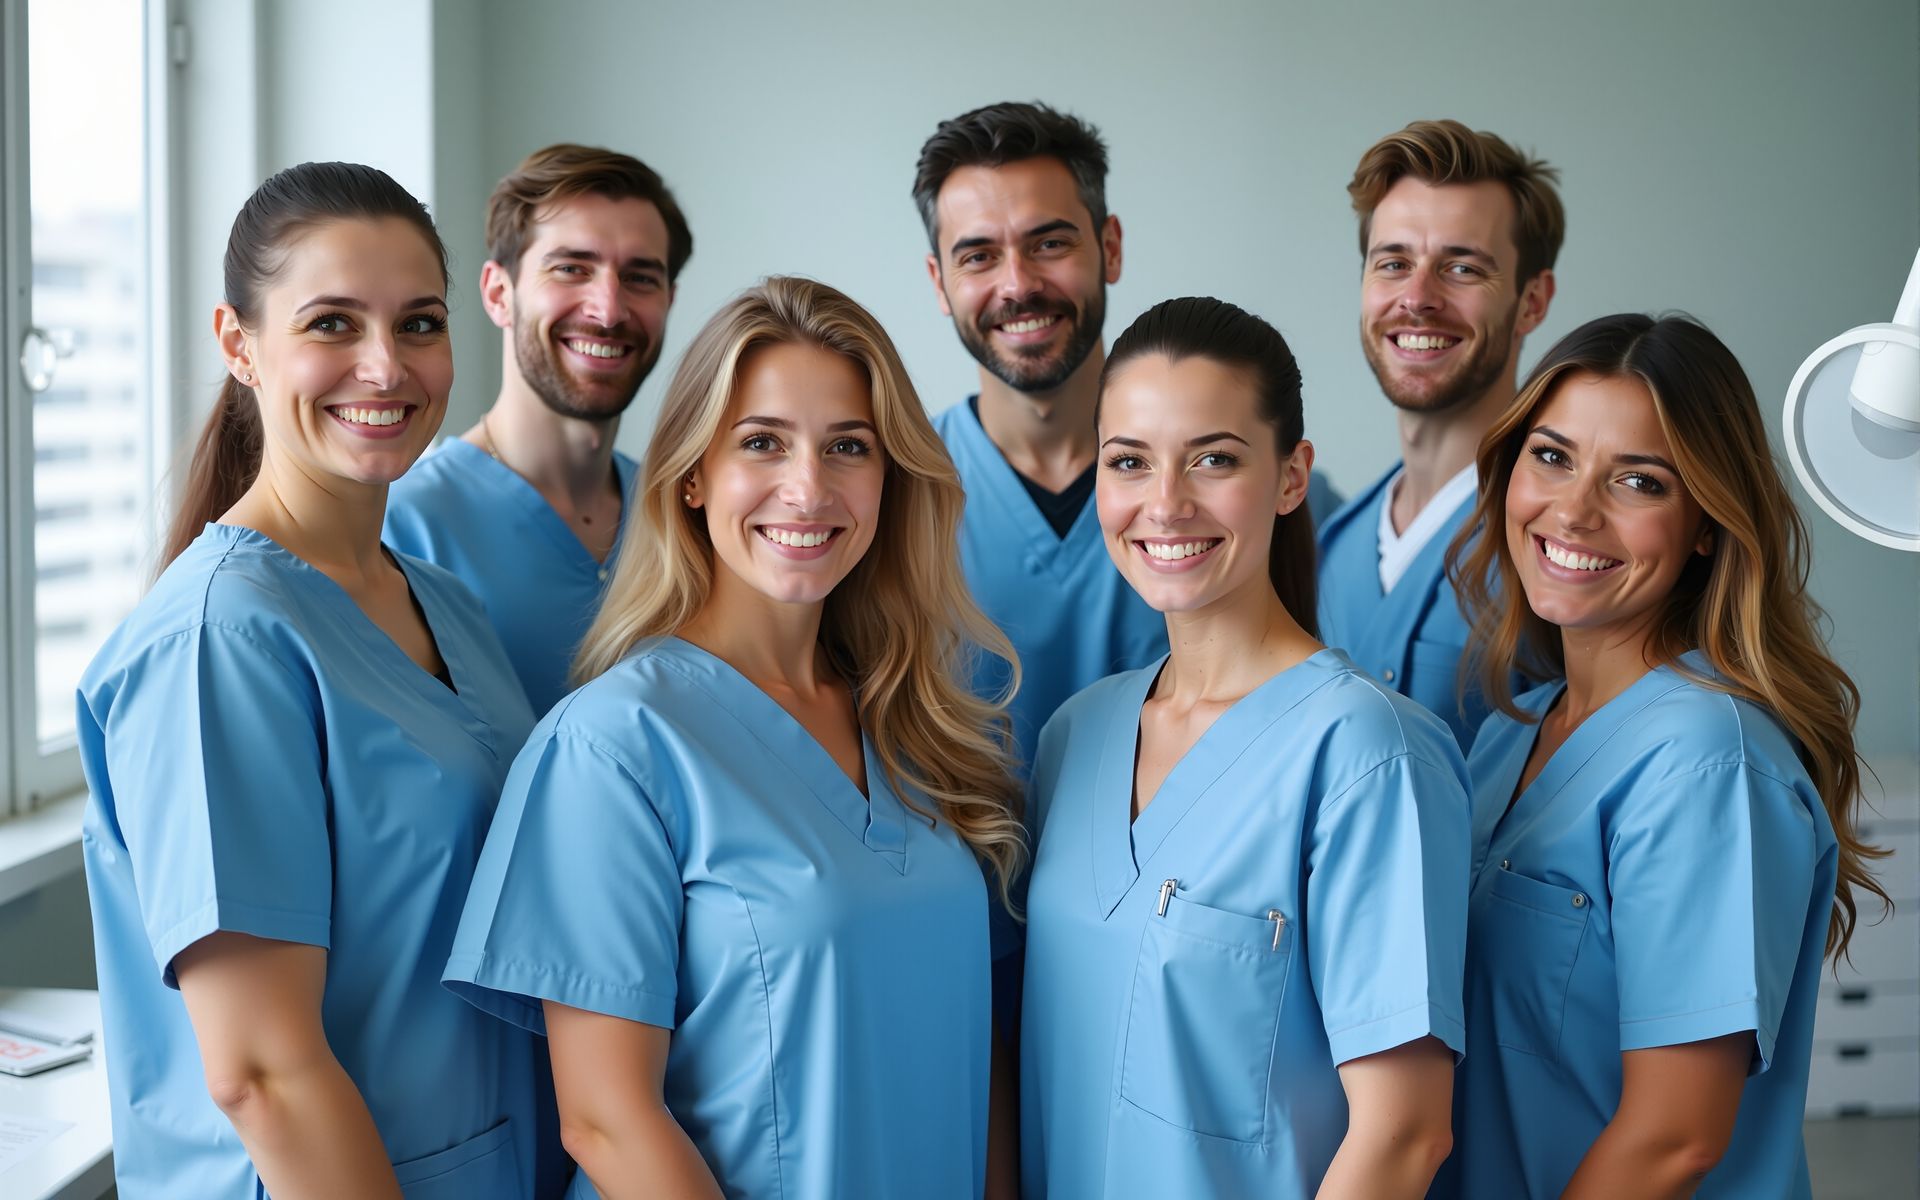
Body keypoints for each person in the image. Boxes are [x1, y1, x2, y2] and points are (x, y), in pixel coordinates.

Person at [444, 277, 1026, 1198]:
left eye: (848, 447)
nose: (809, 488)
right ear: (691, 476)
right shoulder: (613, 748)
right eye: (762, 443)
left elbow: (979, 1046)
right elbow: (606, 1116)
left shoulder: (924, 727)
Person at [78, 163, 559, 1199]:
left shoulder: (444, 605)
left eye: (419, 324)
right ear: (238, 344)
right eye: (332, 324)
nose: (384, 367)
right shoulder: (220, 641)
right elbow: (261, 1073)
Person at [1021, 297, 1470, 1198]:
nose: (1166, 504)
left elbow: (1404, 1135)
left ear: (1292, 475)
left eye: (1215, 460)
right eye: (1129, 463)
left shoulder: (1366, 754)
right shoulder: (1076, 737)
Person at [1440, 313, 1890, 1198]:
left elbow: (1674, 1138)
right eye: (1552, 456)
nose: (1573, 510)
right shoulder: (1507, 735)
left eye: (1639, 482)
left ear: (1708, 526)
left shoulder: (1708, 766)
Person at [385, 144, 693, 715]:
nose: (608, 310)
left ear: (669, 301)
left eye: (640, 277)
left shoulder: (683, 517)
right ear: (500, 293)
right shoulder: (403, 529)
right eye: (571, 268)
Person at [913, 101, 1168, 772]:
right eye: (978, 256)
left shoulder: (1233, 489)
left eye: (1049, 243)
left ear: (1109, 247)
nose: (1018, 285)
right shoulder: (890, 496)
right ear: (940, 282)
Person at [1316, 119, 1563, 749]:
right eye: (1393, 263)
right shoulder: (1333, 548)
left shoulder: (1565, 538)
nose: (1418, 298)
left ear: (1533, 301)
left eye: (1462, 268)